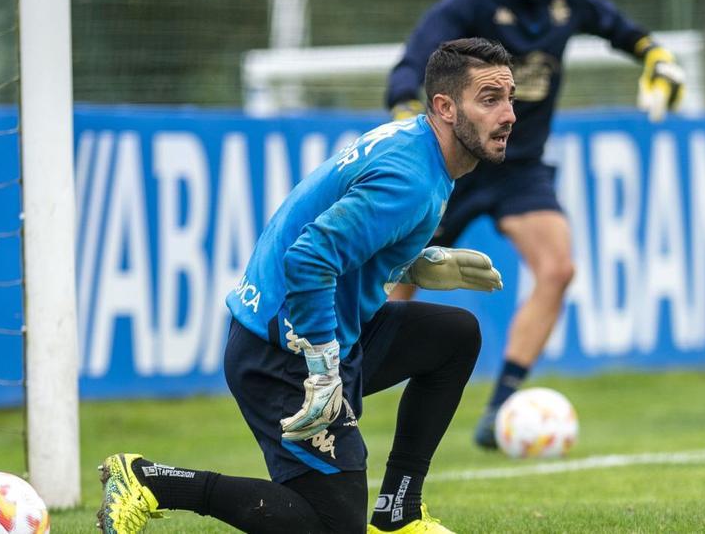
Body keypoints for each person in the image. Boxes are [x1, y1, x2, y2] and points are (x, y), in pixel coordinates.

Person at [96, 38, 516, 534]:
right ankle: (150, 480)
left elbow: (335, 236)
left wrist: (408, 263)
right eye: (489, 100)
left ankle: (399, 511)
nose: (508, 114)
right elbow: (310, 257)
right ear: (445, 108)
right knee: (331, 527)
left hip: (327, 332)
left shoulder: (419, 146)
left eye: (510, 98)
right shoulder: (411, 179)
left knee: (454, 336)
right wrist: (322, 372)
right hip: (282, 353)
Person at [384, 0, 687, 450]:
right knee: (395, 275)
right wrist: (407, 106)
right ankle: (343, 385)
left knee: (559, 267)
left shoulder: (567, 0)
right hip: (456, 167)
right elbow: (414, 58)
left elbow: (624, 30)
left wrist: (656, 58)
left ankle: (501, 406)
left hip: (520, 170)